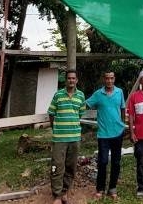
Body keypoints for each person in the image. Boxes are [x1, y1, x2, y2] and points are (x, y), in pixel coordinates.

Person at [47, 70, 88, 204]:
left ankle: (65, 192)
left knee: (71, 167)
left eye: (73, 78)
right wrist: (56, 128)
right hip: (59, 138)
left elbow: (80, 114)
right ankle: (57, 196)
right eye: (69, 78)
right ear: (66, 80)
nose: (71, 80)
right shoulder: (58, 95)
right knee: (57, 166)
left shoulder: (81, 96)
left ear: (77, 80)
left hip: (75, 138)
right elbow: (51, 113)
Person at [85, 71, 127, 200]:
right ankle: (100, 188)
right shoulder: (98, 94)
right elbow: (86, 104)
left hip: (117, 132)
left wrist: (123, 125)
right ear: (104, 79)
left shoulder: (119, 92)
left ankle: (112, 188)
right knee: (102, 162)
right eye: (107, 78)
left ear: (114, 79)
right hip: (103, 134)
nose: (109, 81)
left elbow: (122, 109)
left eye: (111, 78)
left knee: (116, 162)